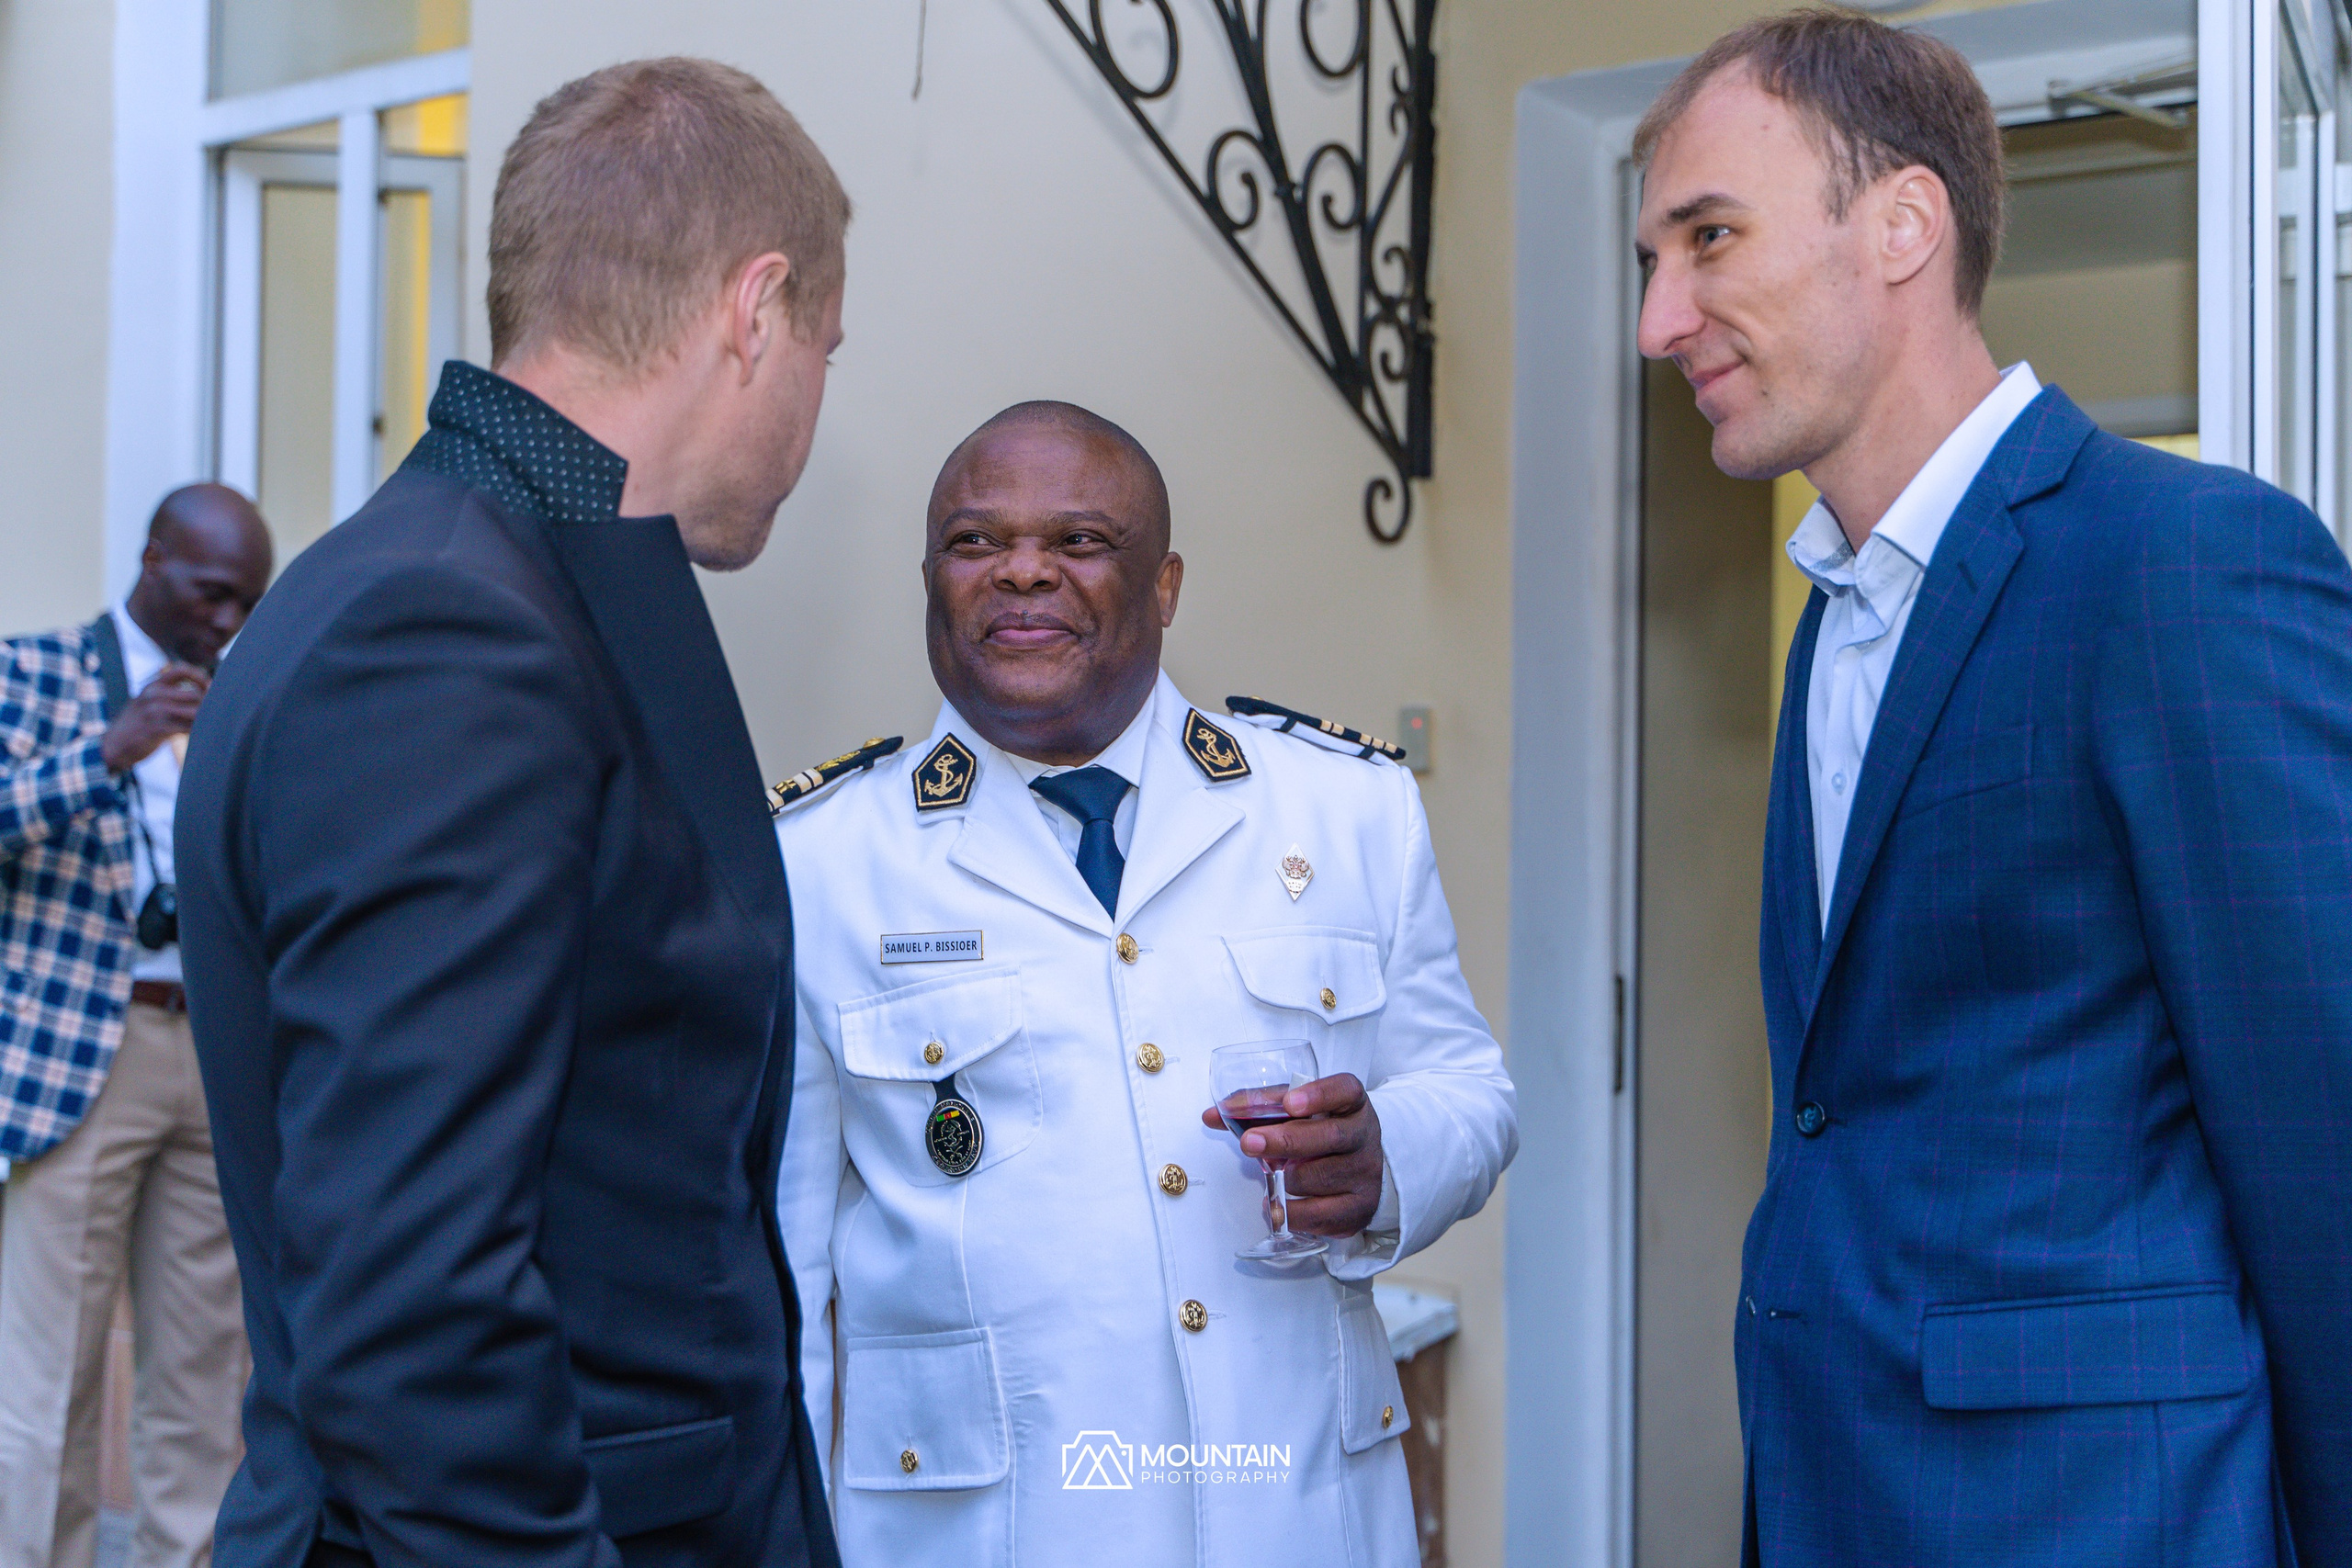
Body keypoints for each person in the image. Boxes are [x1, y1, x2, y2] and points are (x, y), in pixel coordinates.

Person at [1634, 12, 2352, 1566]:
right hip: (1836, 1491)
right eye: (1650, 260)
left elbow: (2326, 1139)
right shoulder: (1833, 616)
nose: (1658, 316)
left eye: (1707, 238)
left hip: (2107, 1517)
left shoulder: (2183, 563)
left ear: (1901, 225)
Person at [175, 59, 850, 1568]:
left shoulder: (486, 575)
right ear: (758, 307)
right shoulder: (443, 625)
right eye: (829, 344)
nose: (817, 402)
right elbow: (414, 1318)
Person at [770, 401, 1517, 1568]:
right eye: (975, 542)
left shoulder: (1342, 809)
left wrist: (1386, 1165)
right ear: (930, 579)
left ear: (1163, 585)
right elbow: (780, 1277)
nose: (1022, 570)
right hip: (976, 1535)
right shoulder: (820, 865)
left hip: (1297, 1513)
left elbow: (1467, 1087)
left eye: (1078, 542)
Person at [0, 483, 270, 1568]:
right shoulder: (35, 668)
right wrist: (109, 748)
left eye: (246, 602)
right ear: (154, 558)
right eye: (212, 594)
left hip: (211, 1055)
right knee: (48, 1380)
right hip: (81, 1056)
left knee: (204, 1380)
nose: (226, 623)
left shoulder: (243, 695)